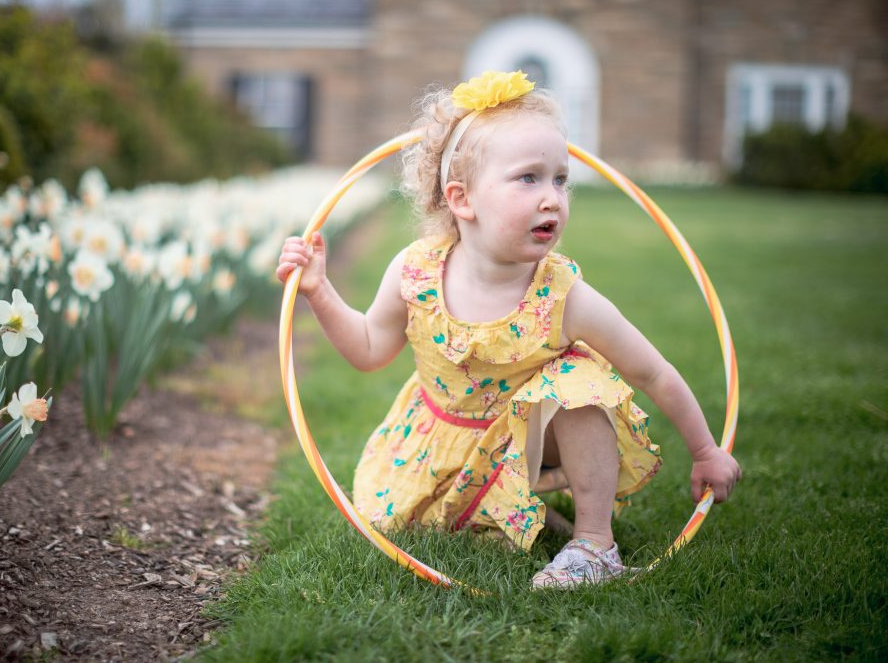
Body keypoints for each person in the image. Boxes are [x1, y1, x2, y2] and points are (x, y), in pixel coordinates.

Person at [276, 70, 741, 589]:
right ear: (462, 199)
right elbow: (367, 349)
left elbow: (653, 372)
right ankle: (501, 511)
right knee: (446, 527)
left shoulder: (562, 295)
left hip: (530, 439)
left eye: (560, 179)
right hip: (442, 441)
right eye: (528, 178)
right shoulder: (416, 272)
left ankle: (594, 545)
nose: (552, 199)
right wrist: (318, 291)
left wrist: (705, 452)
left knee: (580, 382)